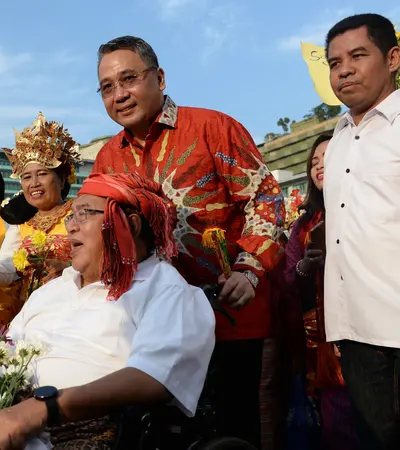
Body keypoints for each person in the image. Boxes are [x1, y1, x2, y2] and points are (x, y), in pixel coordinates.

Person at [0, 173, 215, 450]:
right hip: (3, 421)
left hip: (87, 431)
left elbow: (154, 377)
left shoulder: (166, 288)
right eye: (71, 215)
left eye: (84, 214)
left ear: (129, 225)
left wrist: (42, 409)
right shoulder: (52, 290)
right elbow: (5, 351)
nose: (70, 226)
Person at [90, 35, 285, 447]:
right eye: (107, 87)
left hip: (228, 314)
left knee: (233, 430)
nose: (119, 94)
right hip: (151, 323)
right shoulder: (108, 158)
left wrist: (250, 270)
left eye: (128, 79)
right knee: (158, 432)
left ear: (159, 78)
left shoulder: (213, 127)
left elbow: (265, 196)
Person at [322, 13, 400, 450]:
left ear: (393, 58)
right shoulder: (338, 138)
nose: (344, 69)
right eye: (334, 63)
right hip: (354, 331)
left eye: (357, 56)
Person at [0, 112, 81, 325]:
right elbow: (6, 268)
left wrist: (68, 268)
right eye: (27, 177)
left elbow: (102, 259)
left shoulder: (80, 213)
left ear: (63, 178)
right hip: (33, 318)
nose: (34, 183)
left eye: (43, 174)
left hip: (75, 312)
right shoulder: (21, 226)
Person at [282, 134, 358, 449]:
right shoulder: (304, 226)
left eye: (327, 157)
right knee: (339, 423)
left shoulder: (370, 209)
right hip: (322, 341)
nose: (319, 166)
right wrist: (306, 268)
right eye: (314, 162)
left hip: (374, 326)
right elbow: (287, 279)